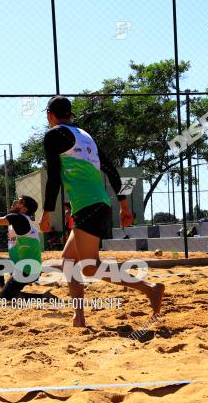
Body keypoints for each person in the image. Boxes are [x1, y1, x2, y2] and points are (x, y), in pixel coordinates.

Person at [37, 95, 164, 327]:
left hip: (88, 205)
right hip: (99, 203)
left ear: (50, 115)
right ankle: (79, 316)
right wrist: (124, 205)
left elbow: (54, 177)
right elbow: (111, 170)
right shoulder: (86, 136)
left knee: (89, 266)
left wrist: (46, 213)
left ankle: (149, 289)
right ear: (70, 114)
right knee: (68, 260)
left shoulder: (54, 135)